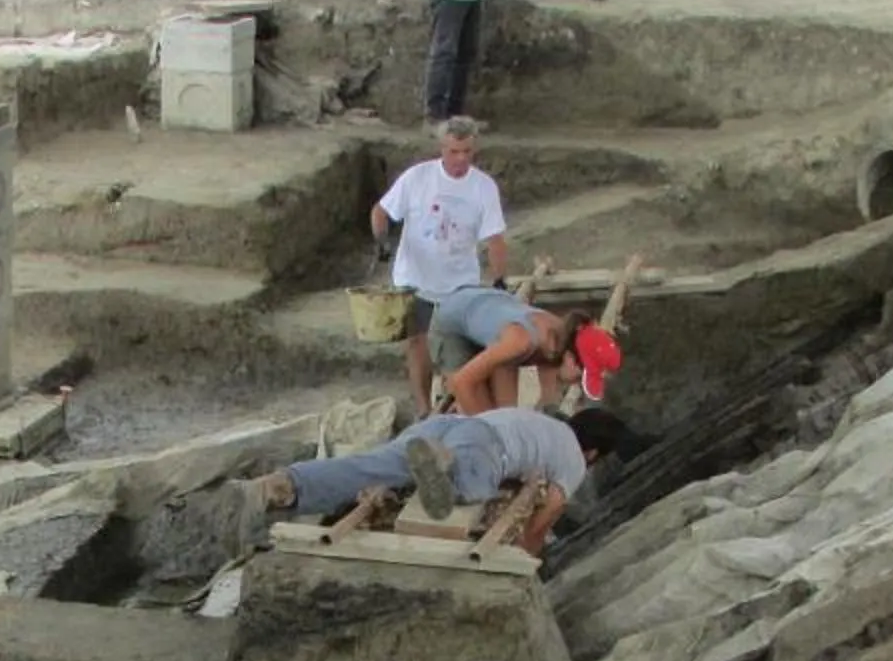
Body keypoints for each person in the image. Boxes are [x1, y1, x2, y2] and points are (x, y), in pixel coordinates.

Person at [249, 406, 637, 560]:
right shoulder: (573, 460)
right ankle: (445, 475)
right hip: (480, 447)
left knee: (372, 468)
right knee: (476, 493)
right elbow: (546, 514)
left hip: (448, 425)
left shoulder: (544, 423)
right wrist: (527, 556)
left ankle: (285, 485)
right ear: (593, 453)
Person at [372, 116, 508, 411]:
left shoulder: (483, 187)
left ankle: (460, 404)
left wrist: (499, 279)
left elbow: (495, 237)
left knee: (458, 347)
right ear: (442, 149)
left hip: (460, 284)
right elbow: (380, 212)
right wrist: (382, 242)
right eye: (453, 152)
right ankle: (423, 409)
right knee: (417, 343)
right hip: (415, 278)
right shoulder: (417, 178)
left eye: (467, 152)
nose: (460, 159)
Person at [429, 287, 624, 414]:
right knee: (486, 419)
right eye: (579, 378)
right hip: (452, 323)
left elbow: (547, 402)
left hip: (489, 312)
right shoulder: (521, 341)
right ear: (570, 358)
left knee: (506, 417)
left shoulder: (559, 340)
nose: (576, 385)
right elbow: (461, 382)